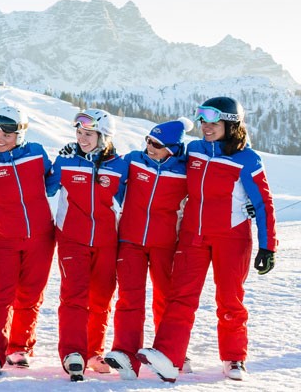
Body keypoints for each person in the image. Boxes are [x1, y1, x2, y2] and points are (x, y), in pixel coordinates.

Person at [138, 97, 278, 382]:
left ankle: (234, 357)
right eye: (203, 121)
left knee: (230, 299)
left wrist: (268, 246)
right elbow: (163, 158)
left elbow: (263, 203)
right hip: (192, 235)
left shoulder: (247, 159)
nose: (206, 127)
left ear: (231, 124)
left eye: (214, 122)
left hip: (232, 237)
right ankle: (169, 357)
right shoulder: (194, 150)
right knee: (180, 297)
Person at [0, 105, 57, 375]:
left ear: (21, 134)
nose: (0, 138)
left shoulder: (36, 153)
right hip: (1, 237)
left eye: (7, 134)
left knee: (30, 294)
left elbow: (51, 185)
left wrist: (66, 164)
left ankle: (20, 348)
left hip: (40, 236)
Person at [103, 118, 192, 380]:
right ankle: (126, 355)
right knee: (129, 298)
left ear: (173, 149)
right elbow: (107, 169)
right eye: (149, 141)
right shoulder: (134, 160)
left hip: (166, 244)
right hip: (130, 241)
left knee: (166, 299)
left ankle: (170, 353)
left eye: (157, 144)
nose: (150, 147)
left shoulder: (185, 170)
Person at [47, 108, 128, 381]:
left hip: (107, 241)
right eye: (79, 133)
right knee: (74, 296)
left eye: (89, 134)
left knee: (102, 299)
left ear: (104, 137)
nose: (82, 138)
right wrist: (56, 164)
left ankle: (93, 352)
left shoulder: (120, 165)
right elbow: (48, 187)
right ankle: (73, 352)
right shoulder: (66, 160)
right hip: (72, 238)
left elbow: (131, 198)